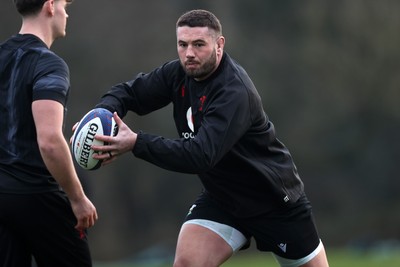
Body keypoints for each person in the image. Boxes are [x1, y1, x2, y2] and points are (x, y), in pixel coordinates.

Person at [91, 9, 329, 267]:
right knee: (187, 263)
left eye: (198, 44)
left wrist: (137, 143)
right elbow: (129, 93)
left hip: (273, 201)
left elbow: (199, 155)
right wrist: (100, 114)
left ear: (219, 45)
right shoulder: (178, 74)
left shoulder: (234, 91)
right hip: (222, 198)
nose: (189, 53)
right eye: (182, 44)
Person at [0, 1, 98, 266]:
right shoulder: (48, 65)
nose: (67, 13)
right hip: (37, 193)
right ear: (50, 6)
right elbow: (50, 142)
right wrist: (77, 199)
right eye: (66, 5)